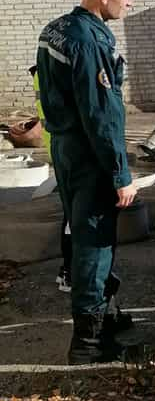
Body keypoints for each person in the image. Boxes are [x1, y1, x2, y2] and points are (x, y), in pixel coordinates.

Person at [35, 0, 149, 364]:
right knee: (95, 243)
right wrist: (120, 174)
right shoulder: (90, 42)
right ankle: (88, 343)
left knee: (84, 233)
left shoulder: (57, 29)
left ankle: (106, 315)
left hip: (66, 150)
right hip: (90, 157)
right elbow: (102, 117)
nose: (130, 1)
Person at [30, 63, 72, 292]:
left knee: (71, 217)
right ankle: (69, 271)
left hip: (59, 151)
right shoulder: (52, 73)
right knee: (73, 219)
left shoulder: (43, 73)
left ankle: (68, 270)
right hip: (69, 154)